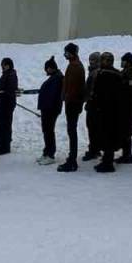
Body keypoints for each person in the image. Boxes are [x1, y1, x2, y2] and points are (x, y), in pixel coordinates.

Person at [89, 53, 123, 173]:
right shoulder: (115, 74)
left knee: (107, 136)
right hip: (111, 111)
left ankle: (108, 163)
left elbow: (100, 93)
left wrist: (97, 106)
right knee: (107, 135)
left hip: (106, 111)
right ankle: (106, 160)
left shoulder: (106, 74)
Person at [57, 43, 86, 172]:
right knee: (71, 130)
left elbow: (74, 88)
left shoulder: (75, 67)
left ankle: (72, 160)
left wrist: (67, 98)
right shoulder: (74, 65)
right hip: (73, 102)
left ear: (72, 53)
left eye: (67, 52)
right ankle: (71, 158)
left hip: (72, 103)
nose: (65, 55)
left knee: (72, 131)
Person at [36, 57, 63, 166]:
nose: (45, 71)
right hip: (47, 109)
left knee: (49, 131)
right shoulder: (54, 77)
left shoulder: (56, 78)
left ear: (51, 68)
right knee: (47, 131)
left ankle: (50, 154)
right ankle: (47, 152)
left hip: (50, 110)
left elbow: (52, 96)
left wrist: (47, 108)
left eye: (46, 68)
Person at [0, 58, 18, 156]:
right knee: (0, 125)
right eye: (2, 64)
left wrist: (1, 92)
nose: (3, 66)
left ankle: (5, 147)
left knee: (6, 125)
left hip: (7, 104)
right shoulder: (5, 74)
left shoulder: (12, 75)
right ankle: (0, 144)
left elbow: (10, 90)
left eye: (5, 64)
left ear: (9, 65)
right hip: (2, 103)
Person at [117, 52, 132, 164]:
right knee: (124, 130)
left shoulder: (131, 74)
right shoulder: (127, 73)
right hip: (126, 107)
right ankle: (126, 154)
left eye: (124, 61)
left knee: (127, 130)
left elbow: (130, 90)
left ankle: (127, 155)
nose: (122, 63)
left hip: (128, 107)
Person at [82, 52, 102, 161]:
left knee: (92, 128)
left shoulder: (94, 73)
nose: (91, 62)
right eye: (90, 59)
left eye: (93, 60)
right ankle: (95, 148)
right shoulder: (94, 72)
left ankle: (93, 150)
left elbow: (89, 89)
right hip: (94, 105)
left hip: (93, 105)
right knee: (94, 128)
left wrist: (85, 98)